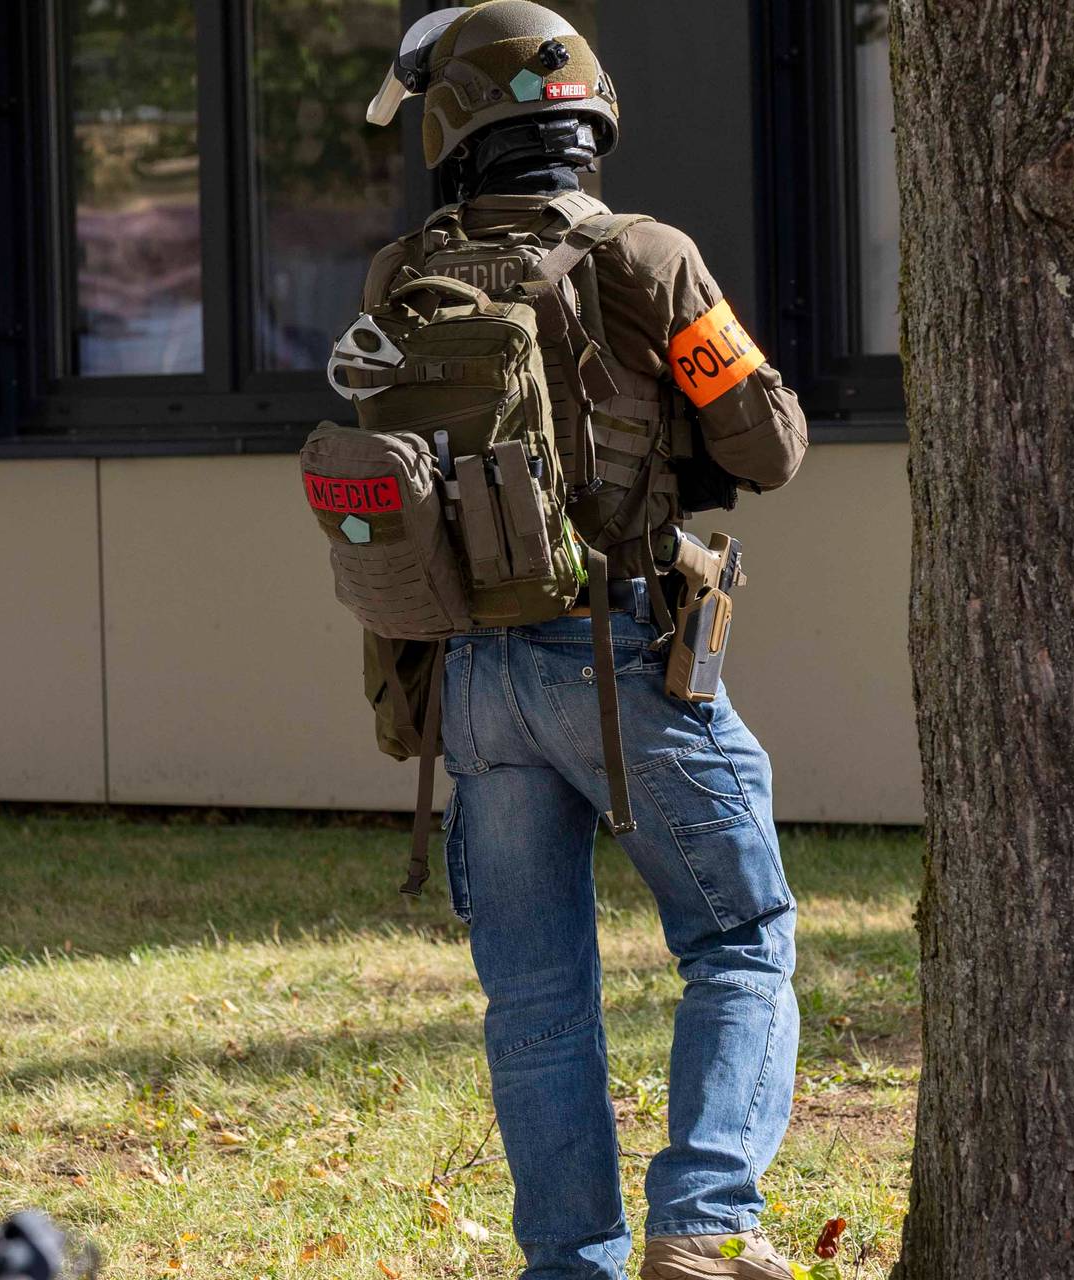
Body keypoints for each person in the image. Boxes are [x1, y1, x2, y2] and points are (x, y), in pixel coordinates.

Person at [359, 7, 810, 1277]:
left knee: (538, 1000)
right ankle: (707, 1221)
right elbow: (767, 446)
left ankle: (571, 1261)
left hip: (471, 683)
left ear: (454, 132)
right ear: (587, 116)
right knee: (739, 937)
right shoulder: (649, 257)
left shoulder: (398, 278)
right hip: (618, 655)